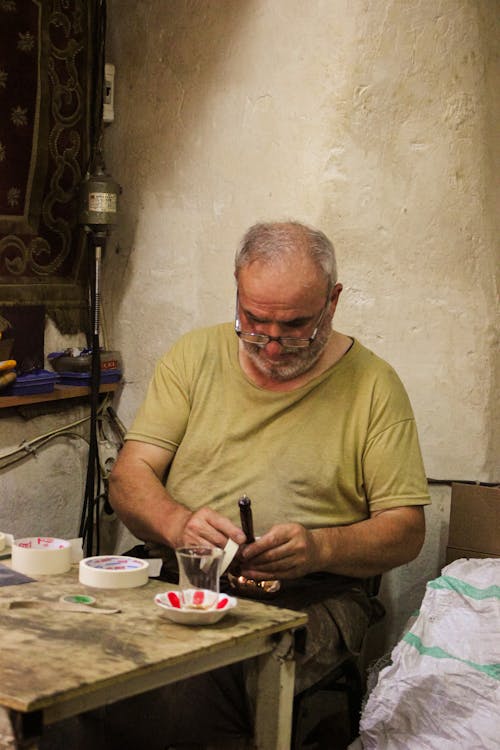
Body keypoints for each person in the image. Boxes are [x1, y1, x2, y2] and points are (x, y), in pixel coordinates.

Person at [46, 221, 429, 750]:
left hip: (308, 592)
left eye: (295, 326)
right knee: (65, 657)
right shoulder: (194, 356)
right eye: (254, 321)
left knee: (197, 675)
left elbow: (406, 531)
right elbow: (130, 478)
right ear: (236, 291)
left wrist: (320, 547)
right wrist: (177, 523)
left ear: (333, 302)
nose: (271, 346)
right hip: (178, 571)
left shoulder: (374, 386)